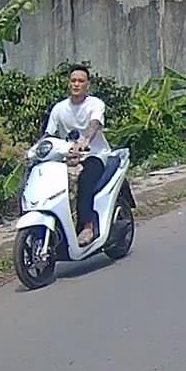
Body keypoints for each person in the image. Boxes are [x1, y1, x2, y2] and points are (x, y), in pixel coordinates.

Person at [45, 64, 110, 247]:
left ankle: (88, 226)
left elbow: (95, 123)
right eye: (73, 80)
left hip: (94, 155)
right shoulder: (59, 108)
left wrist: (86, 141)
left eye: (81, 81)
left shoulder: (95, 104)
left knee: (85, 181)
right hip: (67, 157)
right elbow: (49, 133)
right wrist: (35, 149)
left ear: (88, 84)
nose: (76, 84)